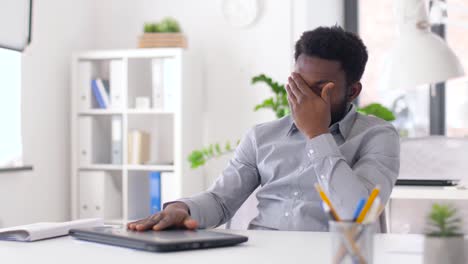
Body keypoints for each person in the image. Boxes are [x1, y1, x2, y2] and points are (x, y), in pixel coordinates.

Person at [127, 26, 400, 232]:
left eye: (320, 89)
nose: (304, 96)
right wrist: (182, 208)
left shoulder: (377, 137)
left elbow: (359, 213)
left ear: (352, 91)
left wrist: (317, 134)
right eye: (299, 83)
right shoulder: (262, 136)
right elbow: (221, 201)